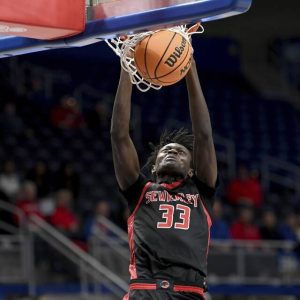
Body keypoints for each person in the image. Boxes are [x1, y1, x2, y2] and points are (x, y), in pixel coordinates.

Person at [111, 55, 218, 300]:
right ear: (155, 168)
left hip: (190, 292)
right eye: (165, 151)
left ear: (192, 170)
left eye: (180, 152)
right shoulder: (139, 191)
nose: (171, 151)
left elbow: (203, 135)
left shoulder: (201, 191)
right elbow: (119, 135)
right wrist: (127, 66)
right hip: (146, 290)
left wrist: (190, 67)